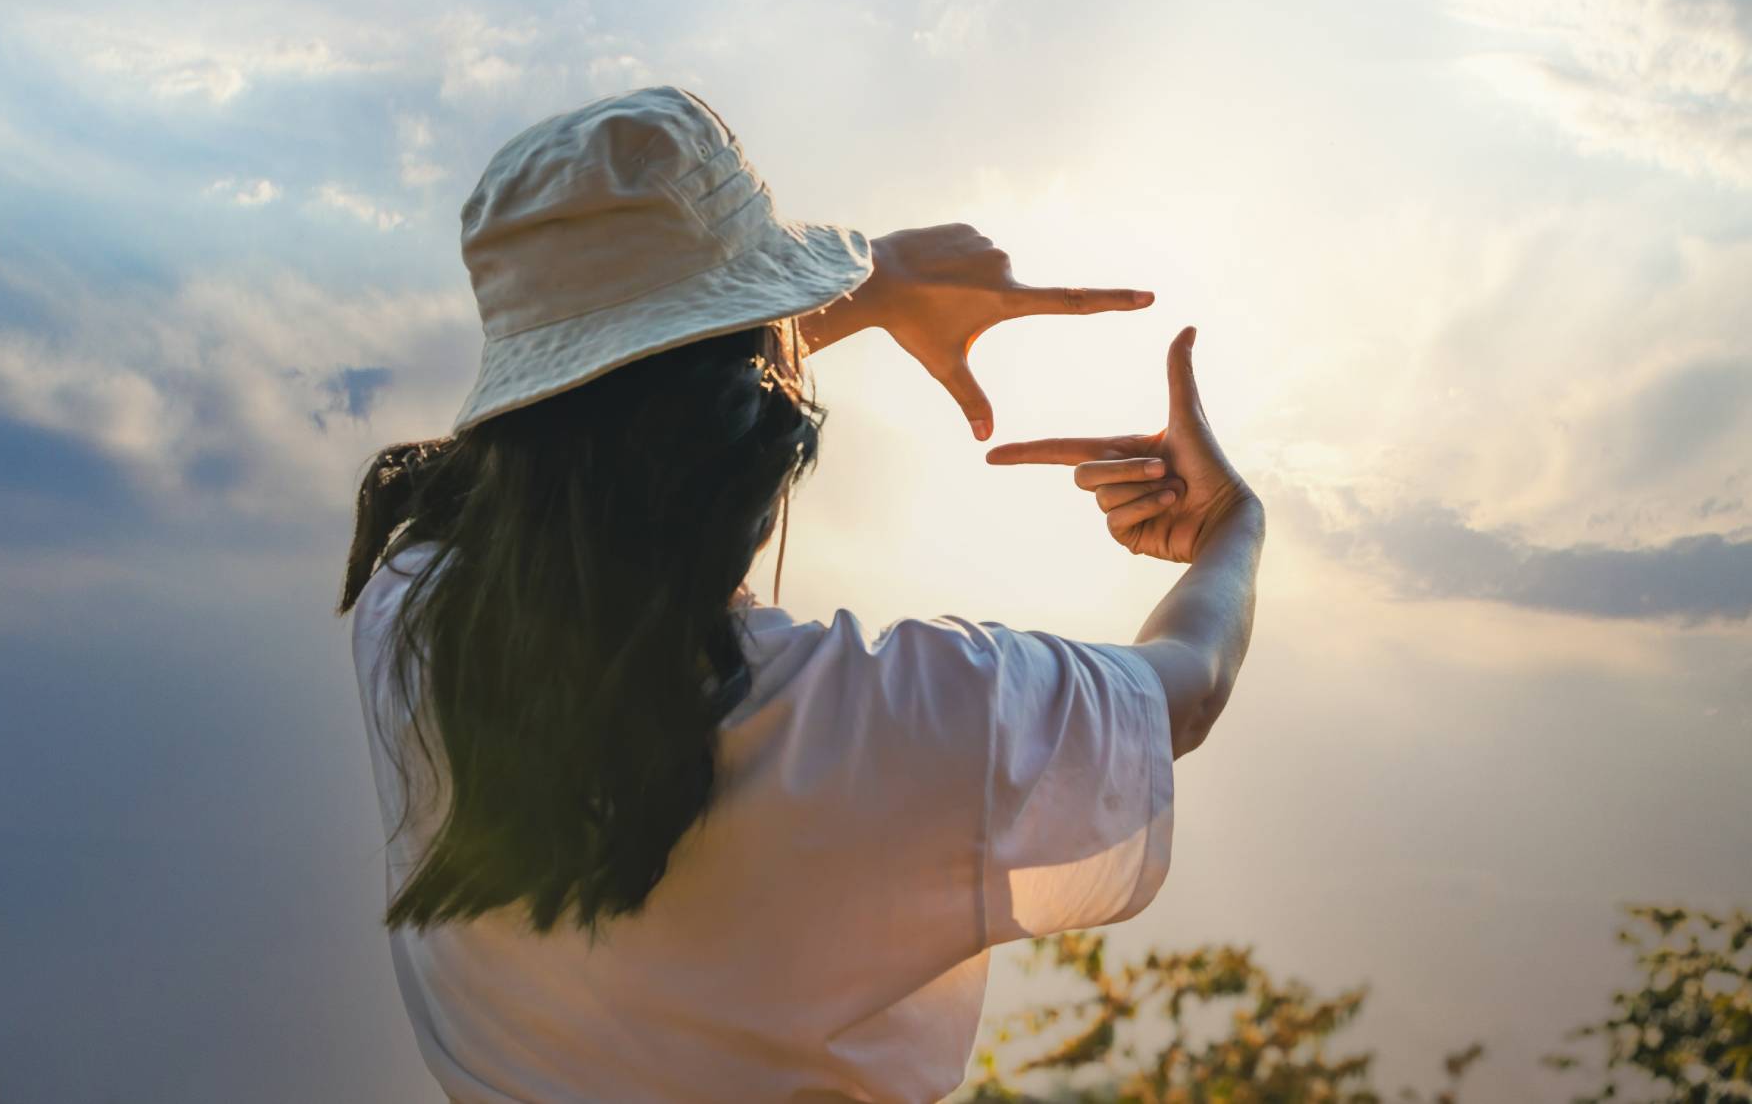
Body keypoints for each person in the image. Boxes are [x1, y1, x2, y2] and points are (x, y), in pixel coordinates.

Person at [337, 86, 1265, 1103]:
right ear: (756, 442)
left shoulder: (416, 611)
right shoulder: (893, 718)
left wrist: (862, 289)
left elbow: (582, 437)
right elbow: (1183, 687)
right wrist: (1228, 527)